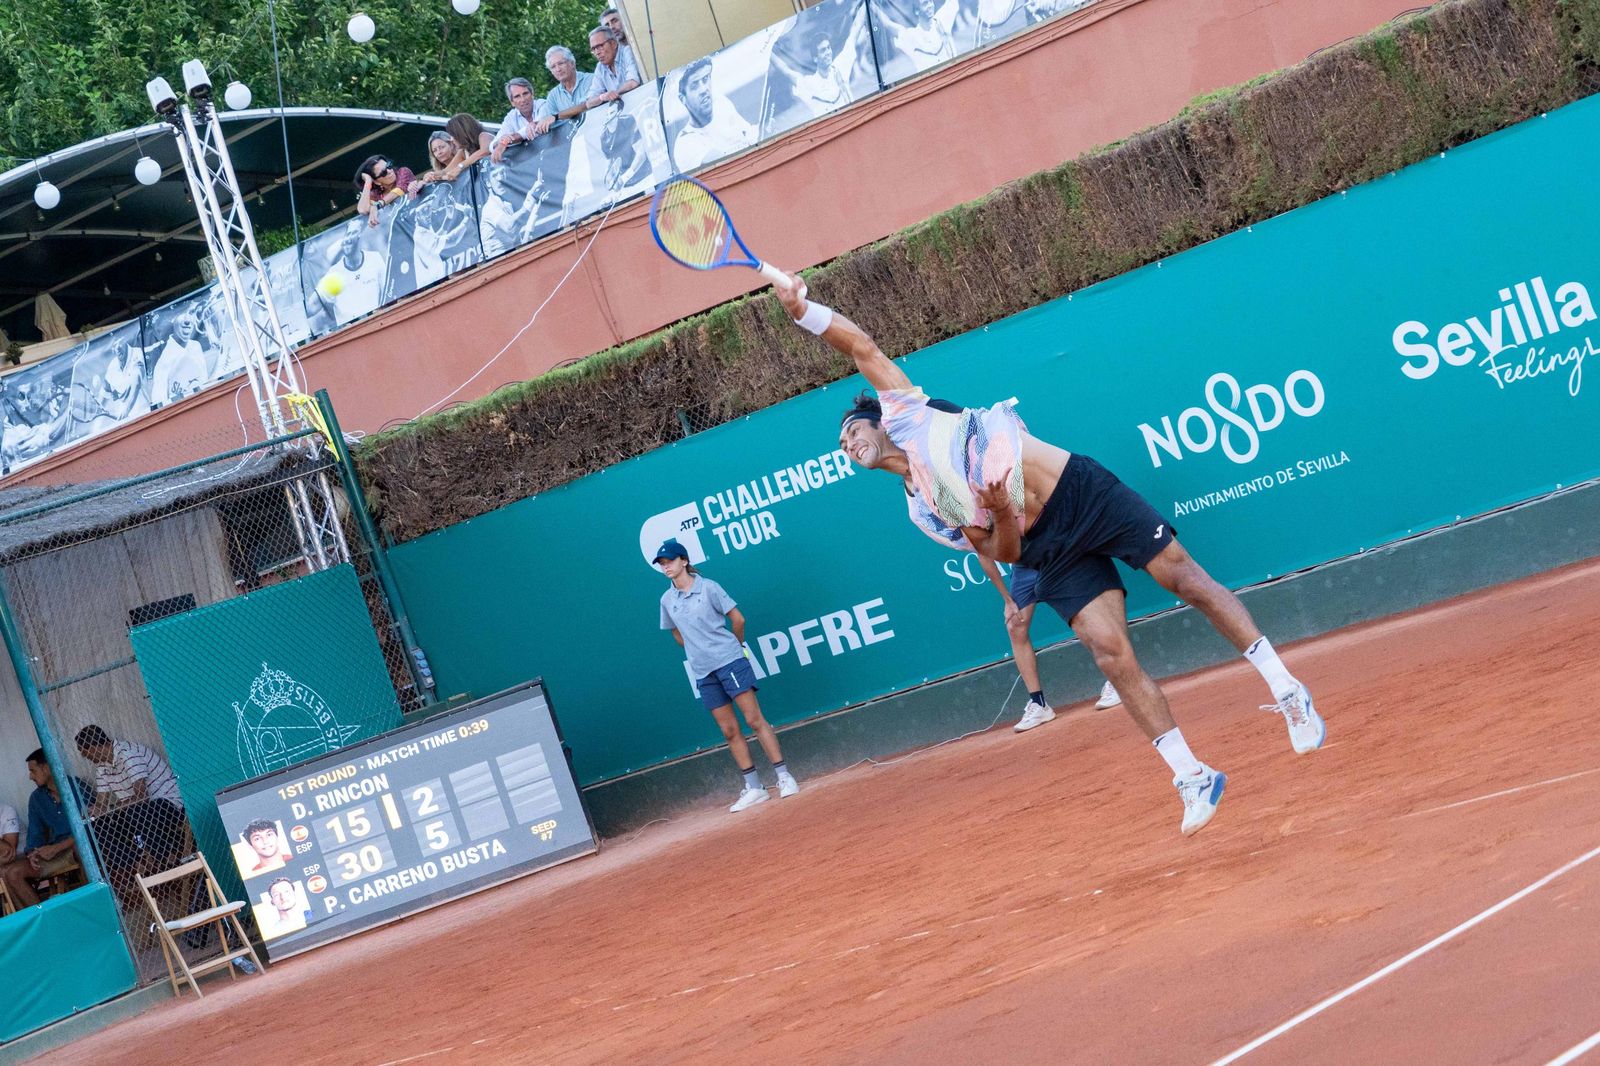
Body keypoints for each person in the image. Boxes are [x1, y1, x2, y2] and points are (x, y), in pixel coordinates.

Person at [770, 271, 1324, 836]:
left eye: (851, 432)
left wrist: (803, 313)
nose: (847, 444)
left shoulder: (910, 413)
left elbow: (859, 344)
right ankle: (1191, 775)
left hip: (1079, 492)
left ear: (878, 421)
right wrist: (1004, 514)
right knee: (1108, 652)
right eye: (841, 446)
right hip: (1042, 546)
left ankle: (1286, 688)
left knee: (1183, 579)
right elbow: (1002, 550)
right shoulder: (922, 509)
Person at [655, 538, 800, 812]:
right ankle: (755, 788)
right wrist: (699, 650)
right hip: (702, 671)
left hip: (730, 661)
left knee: (754, 720)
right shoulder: (666, 600)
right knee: (729, 730)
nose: (666, 567)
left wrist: (734, 647)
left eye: (670, 561)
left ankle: (784, 777)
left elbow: (738, 619)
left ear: (684, 561)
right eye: (662, 564)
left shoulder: (709, 587)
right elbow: (676, 633)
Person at [76, 725, 189, 902]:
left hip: (168, 804)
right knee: (98, 825)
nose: (85, 757)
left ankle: (160, 859)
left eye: (85, 752)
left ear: (95, 746)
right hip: (136, 812)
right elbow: (101, 804)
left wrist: (113, 807)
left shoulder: (128, 754)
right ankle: (131, 866)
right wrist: (91, 813)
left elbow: (141, 796)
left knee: (136, 810)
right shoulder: (102, 768)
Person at [1, 749, 92, 909]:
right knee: (11, 873)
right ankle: (43, 921)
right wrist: (32, 854)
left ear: (47, 768)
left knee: (81, 848)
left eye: (33, 771)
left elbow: (90, 828)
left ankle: (92, 904)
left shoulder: (77, 787)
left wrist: (57, 847)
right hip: (56, 854)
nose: (30, 776)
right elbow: (35, 835)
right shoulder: (36, 798)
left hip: (77, 848)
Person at [670, 57, 757, 171]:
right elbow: (726, 162)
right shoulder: (684, 144)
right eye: (695, 85)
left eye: (705, 79)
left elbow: (749, 133)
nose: (704, 89)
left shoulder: (720, 103)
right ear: (683, 99)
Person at [535, 46, 597, 135]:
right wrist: (532, 125)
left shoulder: (591, 79)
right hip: (573, 143)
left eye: (561, 63)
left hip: (597, 132)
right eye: (553, 67)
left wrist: (556, 116)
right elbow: (545, 120)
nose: (558, 69)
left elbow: (587, 105)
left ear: (572, 63)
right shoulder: (553, 95)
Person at [586, 26, 641, 108]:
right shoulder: (600, 67)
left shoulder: (627, 52)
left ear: (613, 44)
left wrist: (613, 94)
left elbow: (633, 82)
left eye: (600, 46)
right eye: (594, 49)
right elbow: (589, 102)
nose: (597, 52)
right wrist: (603, 97)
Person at [354, 155, 415, 228]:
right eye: (383, 173)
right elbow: (363, 209)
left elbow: (400, 189)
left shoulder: (403, 172)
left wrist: (378, 205)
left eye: (389, 166)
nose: (390, 171)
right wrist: (368, 181)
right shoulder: (376, 194)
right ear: (376, 182)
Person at [491, 78, 543, 163]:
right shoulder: (511, 117)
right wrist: (501, 143)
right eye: (517, 96)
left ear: (532, 94)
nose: (523, 99)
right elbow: (494, 144)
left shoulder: (542, 105)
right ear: (512, 102)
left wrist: (508, 140)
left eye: (525, 94)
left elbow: (537, 127)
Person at [600, 8, 639, 77]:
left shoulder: (640, 43)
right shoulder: (613, 60)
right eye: (607, 25)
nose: (612, 27)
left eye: (615, 21)